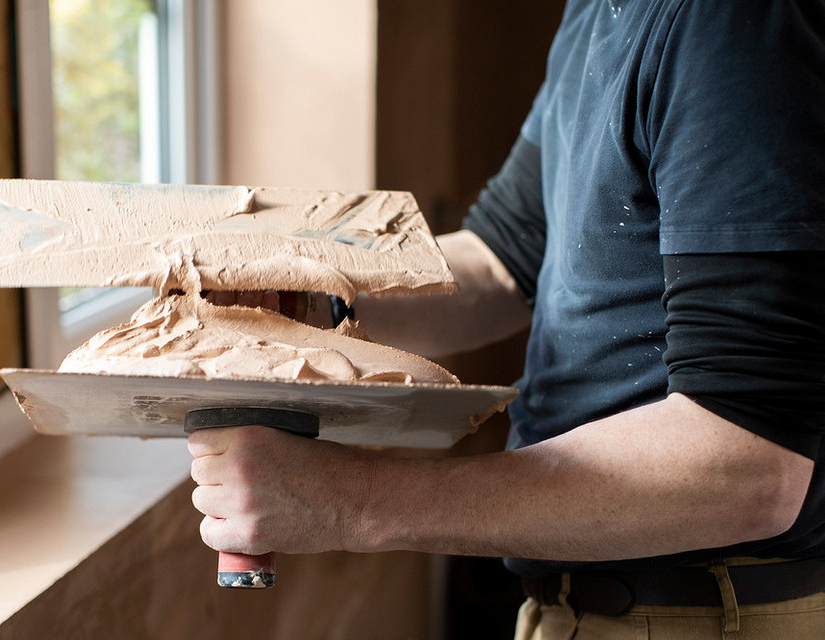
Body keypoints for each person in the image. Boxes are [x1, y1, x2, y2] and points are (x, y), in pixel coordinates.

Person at [189, 1, 825, 637]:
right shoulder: (599, 12)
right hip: (588, 602)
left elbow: (748, 462)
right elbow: (506, 255)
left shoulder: (726, 24)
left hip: (710, 611)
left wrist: (348, 502)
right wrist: (306, 301)